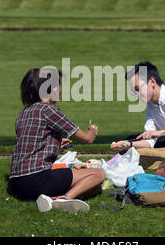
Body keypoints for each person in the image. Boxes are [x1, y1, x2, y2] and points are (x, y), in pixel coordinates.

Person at [9, 68, 105, 213]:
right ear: (52, 88)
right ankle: (63, 199)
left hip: (16, 184)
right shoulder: (49, 110)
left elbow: (31, 144)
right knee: (98, 174)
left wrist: (56, 144)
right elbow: (88, 138)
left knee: (94, 187)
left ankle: (51, 197)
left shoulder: (23, 113)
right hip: (37, 179)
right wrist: (93, 129)